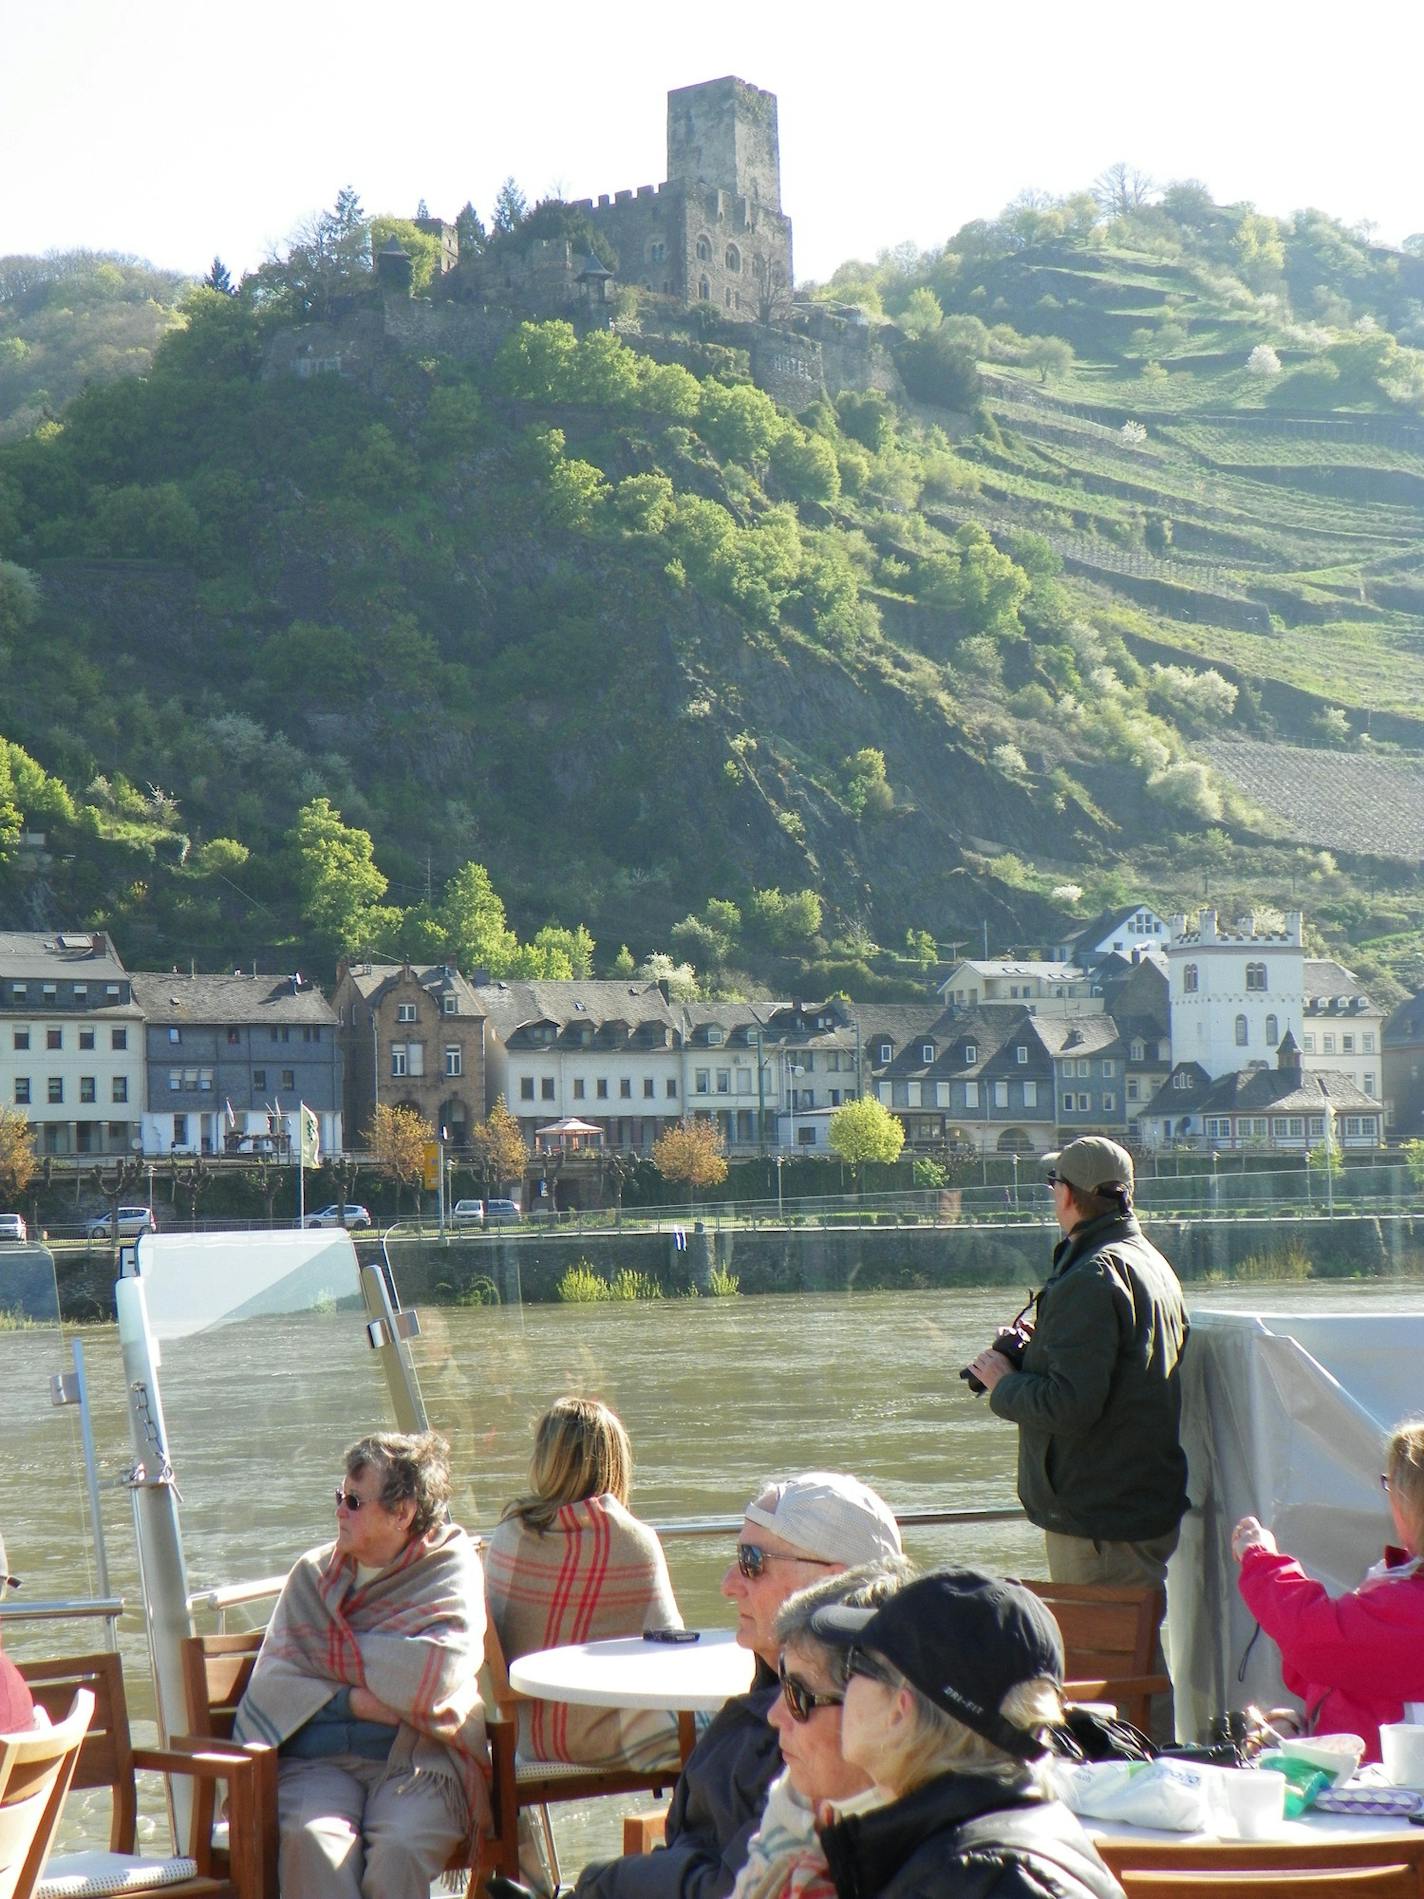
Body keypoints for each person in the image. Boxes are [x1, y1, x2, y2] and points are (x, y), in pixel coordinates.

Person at [575, 1471, 903, 1899]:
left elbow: (731, 1886)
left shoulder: (829, 1725)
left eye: (752, 1562)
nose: (729, 1584)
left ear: (829, 1582)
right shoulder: (778, 1696)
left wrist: (601, 1883)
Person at [968, 1135, 1188, 1738]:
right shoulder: (1147, 1261)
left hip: (1097, 1515)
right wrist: (1045, 1344)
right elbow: (1122, 1372)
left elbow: (1070, 1405)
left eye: (1053, 1186)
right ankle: (1153, 1774)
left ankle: (1143, 1786)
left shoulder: (1092, 1275)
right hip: (1132, 1501)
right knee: (1133, 1661)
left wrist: (1003, 1383)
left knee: (1107, 1677)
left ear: (1067, 1194)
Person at [234, 1431, 489, 1899]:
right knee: (314, 1843)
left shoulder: (450, 1568)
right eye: (339, 1496)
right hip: (317, 1764)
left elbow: (436, 1672)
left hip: (418, 1757)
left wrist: (328, 1663)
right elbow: (272, 1685)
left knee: (398, 1850)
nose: (339, 1511)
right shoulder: (312, 1577)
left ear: (402, 1513)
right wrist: (354, 1701)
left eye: (353, 1501)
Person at [809, 1568, 1124, 1899]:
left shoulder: (971, 1878)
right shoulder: (1022, 1841)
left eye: (854, 1665)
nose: (844, 1685)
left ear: (901, 1709)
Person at [486, 1396, 683, 1770]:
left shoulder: (510, 1533)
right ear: (615, 1462)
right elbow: (668, 1649)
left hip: (525, 1740)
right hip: (612, 1741)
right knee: (732, 1731)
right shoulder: (631, 1541)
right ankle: (694, 1828)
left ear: (544, 1461)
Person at [1232, 1415, 1424, 1761]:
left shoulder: (1410, 1603)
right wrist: (1303, 1724)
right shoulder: (1404, 1588)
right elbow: (1352, 1664)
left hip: (1393, 1795)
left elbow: (1314, 1639)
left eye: (1392, 1485)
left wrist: (1259, 1557)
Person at [733, 1559, 911, 1899]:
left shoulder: (935, 1859)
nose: (774, 1715)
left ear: (885, 1709)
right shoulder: (801, 1795)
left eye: (797, 1694)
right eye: (779, 1686)